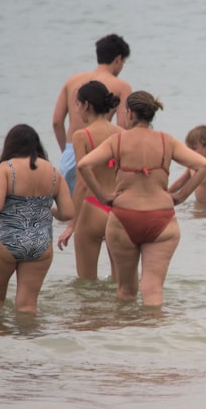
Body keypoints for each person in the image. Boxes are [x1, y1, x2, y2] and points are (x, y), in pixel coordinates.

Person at [77, 91, 206, 306]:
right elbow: (204, 165)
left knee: (126, 291)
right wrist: (181, 196)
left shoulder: (117, 140)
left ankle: (128, 337)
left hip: (123, 218)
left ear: (129, 113)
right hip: (162, 219)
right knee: (153, 290)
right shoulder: (167, 141)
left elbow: (84, 165)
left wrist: (103, 197)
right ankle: (154, 336)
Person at [0, 124, 73, 312]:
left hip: (6, 240)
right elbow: (67, 213)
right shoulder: (54, 173)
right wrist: (47, 210)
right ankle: (29, 340)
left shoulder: (7, 168)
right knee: (27, 305)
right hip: (40, 243)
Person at [56, 81, 122, 279]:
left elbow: (83, 183)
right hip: (118, 209)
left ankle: (91, 311)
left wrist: (71, 225)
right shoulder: (122, 134)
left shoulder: (81, 136)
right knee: (121, 282)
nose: (76, 110)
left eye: (77, 104)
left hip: (93, 208)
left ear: (86, 105)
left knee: (87, 282)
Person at [52, 34, 132, 194]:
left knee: (70, 210)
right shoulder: (122, 86)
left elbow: (57, 121)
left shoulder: (72, 80)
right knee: (97, 207)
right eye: (123, 62)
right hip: (100, 153)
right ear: (118, 59)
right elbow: (122, 126)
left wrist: (67, 151)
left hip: (70, 152)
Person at [170, 124, 206, 205]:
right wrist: (166, 193)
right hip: (203, 204)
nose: (190, 152)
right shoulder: (192, 165)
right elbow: (180, 182)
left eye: (194, 148)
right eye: (188, 148)